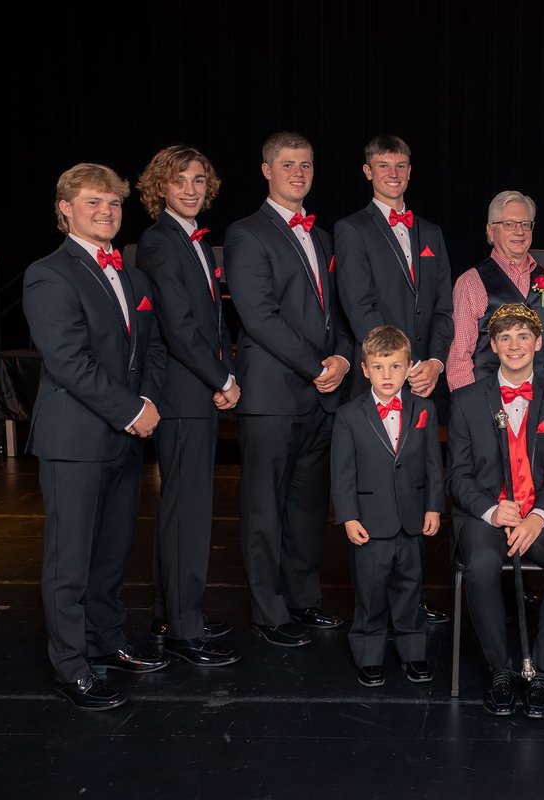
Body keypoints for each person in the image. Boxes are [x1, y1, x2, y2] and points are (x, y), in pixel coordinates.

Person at [23, 163, 169, 710]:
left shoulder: (132, 275)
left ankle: (106, 642)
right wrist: (132, 410)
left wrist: (147, 402)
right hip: (75, 441)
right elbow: (69, 361)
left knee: (112, 554)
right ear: (65, 209)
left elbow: (152, 349)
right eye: (93, 202)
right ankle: (72, 667)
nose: (106, 212)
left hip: (124, 438)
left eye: (113, 203)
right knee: (70, 562)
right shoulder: (48, 274)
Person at [225, 131, 354, 647]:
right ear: (266, 170)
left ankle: (304, 598)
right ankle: (269, 611)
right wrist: (316, 365)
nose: (298, 173)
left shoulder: (322, 238)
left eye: (306, 165)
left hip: (322, 394)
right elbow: (259, 316)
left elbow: (338, 311)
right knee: (264, 508)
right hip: (272, 396)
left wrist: (342, 357)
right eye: (288, 164)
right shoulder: (246, 233)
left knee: (307, 507)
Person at [334, 134, 454, 624]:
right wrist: (399, 365)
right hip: (384, 374)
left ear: (410, 170)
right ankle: (371, 605)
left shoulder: (432, 232)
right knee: (376, 485)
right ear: (368, 171)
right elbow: (359, 306)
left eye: (401, 165)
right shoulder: (351, 229)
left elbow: (444, 308)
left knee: (415, 480)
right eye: (383, 165)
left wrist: (435, 362)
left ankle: (410, 599)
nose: (393, 173)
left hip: (423, 376)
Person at [447, 303, 544, 719]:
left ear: (539, 343)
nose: (514, 345)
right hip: (486, 515)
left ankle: (541, 670)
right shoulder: (466, 401)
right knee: (482, 564)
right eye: (504, 337)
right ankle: (500, 671)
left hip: (538, 512)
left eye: (523, 336)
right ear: (492, 345)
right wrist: (492, 511)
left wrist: (537, 517)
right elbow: (457, 477)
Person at [134, 145, 240, 668]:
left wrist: (223, 374)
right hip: (182, 395)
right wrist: (223, 378)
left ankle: (168, 613)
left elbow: (213, 322)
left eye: (199, 180)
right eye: (180, 181)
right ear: (161, 187)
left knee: (181, 508)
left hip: (197, 391)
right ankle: (184, 628)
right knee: (188, 513)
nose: (191, 189)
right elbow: (178, 328)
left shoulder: (190, 238)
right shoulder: (159, 241)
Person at [331, 326, 443, 687]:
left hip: (412, 518)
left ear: (409, 367)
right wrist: (349, 517)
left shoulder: (424, 409)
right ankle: (369, 654)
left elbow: (433, 464)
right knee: (370, 591)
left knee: (410, 587)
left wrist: (433, 507)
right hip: (370, 520)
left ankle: (413, 651)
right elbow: (342, 473)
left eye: (395, 366)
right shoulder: (349, 415)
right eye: (378, 367)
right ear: (365, 369)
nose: (387, 375)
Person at [447, 191, 544, 391]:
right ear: (490, 231)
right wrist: (471, 406)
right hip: (488, 401)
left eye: (525, 224)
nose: (519, 231)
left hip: (543, 400)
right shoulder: (470, 282)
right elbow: (459, 359)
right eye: (509, 224)